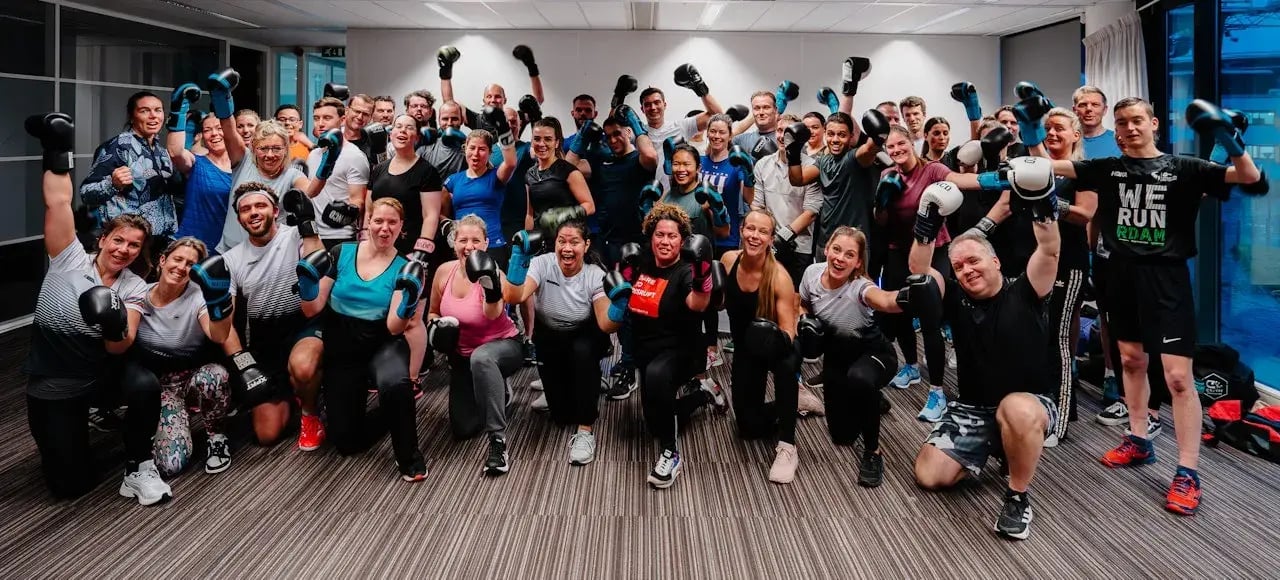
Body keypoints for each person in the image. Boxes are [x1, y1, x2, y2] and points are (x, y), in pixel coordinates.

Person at [1033, 97, 1262, 515]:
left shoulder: (1184, 167)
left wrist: (1228, 139)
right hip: (1120, 276)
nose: (1129, 128)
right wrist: (1033, 129)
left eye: (1137, 120)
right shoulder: (1106, 168)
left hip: (1166, 281)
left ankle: (1188, 471)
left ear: (1153, 123)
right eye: (1122, 122)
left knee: (1178, 378)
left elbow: (1247, 175)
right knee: (1131, 360)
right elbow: (1045, 167)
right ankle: (1139, 439)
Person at [908, 165, 1062, 540]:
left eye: (974, 261)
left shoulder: (1026, 291)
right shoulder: (955, 298)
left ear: (995, 261)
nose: (967, 270)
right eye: (959, 266)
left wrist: (1043, 203)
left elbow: (1049, 249)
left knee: (1015, 409)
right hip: (973, 408)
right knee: (930, 475)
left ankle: (1017, 496)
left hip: (1030, 403)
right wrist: (926, 224)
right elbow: (919, 272)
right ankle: (996, 444)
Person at [25, 112, 165, 503]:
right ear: (103, 239)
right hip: (55, 380)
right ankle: (77, 427)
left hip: (100, 373)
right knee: (70, 486)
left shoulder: (133, 286)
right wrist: (58, 150)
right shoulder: (68, 258)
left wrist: (111, 321)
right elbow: (58, 202)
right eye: (119, 240)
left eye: (134, 245)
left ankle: (138, 461)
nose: (124, 249)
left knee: (144, 384)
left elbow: (122, 344)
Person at [966, 108, 1097, 446]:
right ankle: (1032, 409)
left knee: (1057, 340)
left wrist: (1050, 199)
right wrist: (976, 234)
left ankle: (1061, 420)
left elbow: (1084, 215)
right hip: (1028, 260)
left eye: (1059, 128)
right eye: (1047, 128)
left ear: (1075, 135)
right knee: (1028, 338)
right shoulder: (1026, 163)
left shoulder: (1084, 171)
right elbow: (1006, 204)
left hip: (1067, 263)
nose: (1052, 134)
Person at [299, 198, 428, 482]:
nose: (384, 228)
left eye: (392, 222)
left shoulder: (405, 267)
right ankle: (390, 415)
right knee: (347, 442)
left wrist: (407, 305)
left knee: (396, 385)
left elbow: (394, 327)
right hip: (342, 347)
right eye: (378, 221)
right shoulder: (341, 253)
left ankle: (409, 457)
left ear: (401, 227)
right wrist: (307, 286)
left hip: (382, 343)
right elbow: (312, 308)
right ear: (368, 222)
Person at [801, 225, 922, 487]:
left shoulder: (860, 287)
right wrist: (804, 319)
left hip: (874, 354)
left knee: (860, 379)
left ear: (858, 262)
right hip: (837, 356)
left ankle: (873, 452)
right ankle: (872, 400)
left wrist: (910, 297)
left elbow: (885, 300)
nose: (840, 258)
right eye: (836, 250)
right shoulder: (812, 274)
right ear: (827, 249)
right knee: (842, 436)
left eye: (849, 255)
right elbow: (802, 303)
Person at [623, 203, 726, 489]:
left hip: (681, 350)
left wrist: (702, 274)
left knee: (658, 377)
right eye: (660, 235)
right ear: (651, 237)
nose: (665, 241)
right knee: (655, 422)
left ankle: (671, 455)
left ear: (682, 240)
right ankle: (703, 395)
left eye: (672, 236)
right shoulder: (643, 262)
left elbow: (698, 304)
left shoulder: (685, 271)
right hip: (647, 350)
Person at [502, 220, 622, 465]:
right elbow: (514, 296)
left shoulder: (594, 274)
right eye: (562, 241)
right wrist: (518, 259)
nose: (567, 248)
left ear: (586, 245)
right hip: (550, 336)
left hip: (584, 336)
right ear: (554, 244)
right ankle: (572, 386)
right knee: (561, 416)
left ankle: (586, 430)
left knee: (582, 358)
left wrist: (620, 306)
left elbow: (605, 325)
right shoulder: (541, 263)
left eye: (574, 242)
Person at [217, 183, 326, 449]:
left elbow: (318, 268)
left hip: (304, 325)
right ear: (240, 219)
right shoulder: (231, 259)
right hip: (265, 340)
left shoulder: (294, 236)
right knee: (267, 435)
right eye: (246, 209)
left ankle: (310, 412)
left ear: (275, 211)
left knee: (303, 366)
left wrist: (308, 224)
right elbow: (226, 322)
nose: (253, 212)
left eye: (260, 206)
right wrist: (243, 363)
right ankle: (296, 391)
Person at [426, 215, 523, 476]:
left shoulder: (495, 273)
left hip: (503, 347)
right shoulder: (444, 272)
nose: (469, 246)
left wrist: (489, 286)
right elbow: (432, 311)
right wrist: (437, 327)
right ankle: (497, 391)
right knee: (463, 428)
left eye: (476, 240)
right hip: (463, 357)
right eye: (463, 240)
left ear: (486, 243)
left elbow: (492, 314)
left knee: (483, 358)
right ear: (454, 243)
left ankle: (498, 442)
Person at [131, 238, 234, 477]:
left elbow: (219, 335)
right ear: (162, 260)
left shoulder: (199, 297)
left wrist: (219, 300)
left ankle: (216, 436)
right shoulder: (139, 294)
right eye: (177, 259)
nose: (181, 267)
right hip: (162, 387)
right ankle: (170, 418)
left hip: (194, 378)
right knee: (170, 465)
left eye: (190, 264)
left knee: (215, 376)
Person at [720, 209, 805, 483]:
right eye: (750, 229)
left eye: (763, 231)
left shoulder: (779, 277)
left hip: (777, 346)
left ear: (771, 239)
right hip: (747, 349)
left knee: (786, 366)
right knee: (748, 427)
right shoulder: (728, 260)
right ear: (741, 230)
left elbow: (789, 329)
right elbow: (720, 303)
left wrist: (773, 341)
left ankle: (788, 447)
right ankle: (794, 402)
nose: (755, 236)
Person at [588, 107, 658, 400]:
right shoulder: (605, 162)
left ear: (628, 132)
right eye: (608, 136)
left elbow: (651, 156)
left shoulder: (638, 160)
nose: (613, 139)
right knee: (619, 303)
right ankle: (628, 360)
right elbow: (571, 165)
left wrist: (635, 122)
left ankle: (633, 366)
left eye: (618, 133)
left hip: (638, 245)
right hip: (610, 243)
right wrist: (584, 136)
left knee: (637, 307)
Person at [661, 143, 729, 383]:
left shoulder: (705, 195)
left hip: (699, 265)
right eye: (676, 163)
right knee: (681, 317)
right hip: (674, 267)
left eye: (686, 164)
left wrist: (718, 209)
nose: (680, 169)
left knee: (704, 311)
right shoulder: (668, 194)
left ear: (698, 167)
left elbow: (723, 231)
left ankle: (710, 352)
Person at [79, 91, 181, 244]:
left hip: (161, 241)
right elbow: (86, 194)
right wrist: (112, 184)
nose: (153, 116)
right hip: (129, 242)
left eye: (158, 110)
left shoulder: (162, 151)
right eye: (144, 111)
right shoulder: (118, 147)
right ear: (132, 117)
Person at [214, 121, 310, 253]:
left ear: (286, 149)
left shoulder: (292, 174)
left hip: (270, 255)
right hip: (231, 250)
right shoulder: (244, 160)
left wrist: (325, 167)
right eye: (263, 149)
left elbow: (310, 192)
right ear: (254, 147)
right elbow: (228, 129)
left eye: (276, 149)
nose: (269, 155)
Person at [442, 114, 518, 266]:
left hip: (493, 245)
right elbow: (440, 213)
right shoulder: (453, 180)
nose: (476, 153)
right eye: (472, 148)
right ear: (465, 149)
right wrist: (448, 226)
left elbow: (510, 163)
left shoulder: (496, 176)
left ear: (490, 152)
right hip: (463, 246)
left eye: (482, 149)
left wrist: (504, 129)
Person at [638, 65, 725, 188]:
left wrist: (700, 87)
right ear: (642, 109)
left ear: (664, 104)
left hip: (678, 193)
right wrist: (618, 98)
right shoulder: (638, 133)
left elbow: (717, 117)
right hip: (647, 192)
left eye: (657, 102)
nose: (653, 107)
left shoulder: (680, 126)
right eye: (647, 104)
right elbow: (612, 130)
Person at [304, 96, 370, 249]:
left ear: (342, 120)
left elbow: (358, 201)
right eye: (316, 118)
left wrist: (341, 216)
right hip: (312, 233)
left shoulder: (354, 156)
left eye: (327, 118)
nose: (320, 123)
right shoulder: (313, 154)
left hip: (340, 236)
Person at [437, 43, 545, 131]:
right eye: (489, 96)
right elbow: (449, 103)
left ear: (504, 100)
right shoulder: (477, 120)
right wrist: (445, 72)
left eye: (497, 96)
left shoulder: (513, 118)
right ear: (484, 100)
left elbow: (537, 101)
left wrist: (532, 67)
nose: (493, 100)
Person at [167, 109, 234, 251]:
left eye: (219, 128)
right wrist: (180, 109)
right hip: (190, 249)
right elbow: (175, 152)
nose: (214, 133)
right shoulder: (197, 163)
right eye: (207, 130)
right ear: (202, 136)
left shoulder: (242, 166)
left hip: (227, 249)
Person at [525, 117, 594, 234]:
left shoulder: (569, 171)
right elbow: (530, 214)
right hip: (541, 239)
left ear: (556, 143)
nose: (541, 144)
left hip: (566, 238)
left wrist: (564, 215)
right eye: (537, 139)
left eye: (548, 139)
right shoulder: (529, 174)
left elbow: (590, 206)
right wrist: (527, 239)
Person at [1072, 86, 1122, 159]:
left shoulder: (1119, 141)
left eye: (1095, 104)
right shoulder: (1067, 141)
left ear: (1104, 110)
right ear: (1074, 110)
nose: (1089, 109)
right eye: (1083, 105)